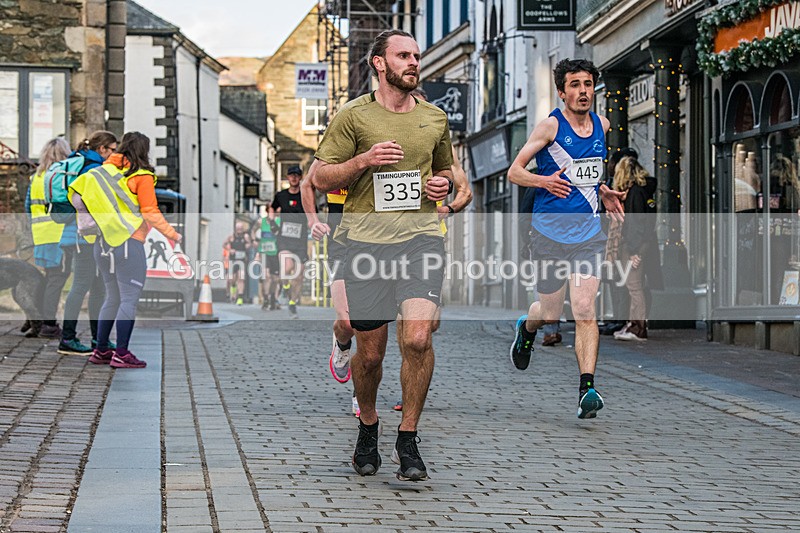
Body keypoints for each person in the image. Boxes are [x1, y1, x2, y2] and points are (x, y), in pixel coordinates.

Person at [313, 29, 454, 482]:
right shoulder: (353, 116)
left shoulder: (434, 118)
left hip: (421, 239)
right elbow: (320, 176)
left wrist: (443, 184)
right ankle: (368, 425)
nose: (414, 62)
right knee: (370, 356)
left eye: (417, 55)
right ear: (380, 63)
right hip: (365, 245)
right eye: (404, 55)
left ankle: (408, 436)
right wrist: (363, 161)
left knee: (417, 339)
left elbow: (446, 170)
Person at [507, 58, 625, 420]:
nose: (583, 91)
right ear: (562, 92)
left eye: (588, 84)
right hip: (547, 234)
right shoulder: (549, 128)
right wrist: (543, 181)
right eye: (575, 85)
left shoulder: (603, 126)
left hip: (589, 233)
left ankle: (587, 388)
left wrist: (602, 191)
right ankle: (526, 328)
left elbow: (589, 175)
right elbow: (515, 172)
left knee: (586, 308)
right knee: (551, 312)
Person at [392, 85, 473, 412]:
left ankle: (413, 374)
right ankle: (408, 385)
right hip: (387, 241)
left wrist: (449, 209)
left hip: (427, 241)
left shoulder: (440, 148)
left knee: (424, 330)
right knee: (404, 323)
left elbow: (465, 191)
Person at [70, 131, 181, 369]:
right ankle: (121, 352)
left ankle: (100, 350)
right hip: (129, 244)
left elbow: (76, 196)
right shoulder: (142, 176)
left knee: (112, 297)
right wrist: (172, 234)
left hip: (102, 243)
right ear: (143, 151)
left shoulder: (100, 173)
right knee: (129, 298)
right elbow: (150, 211)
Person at [57, 131, 118, 355]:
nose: (113, 154)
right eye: (112, 149)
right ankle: (69, 338)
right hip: (87, 236)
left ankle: (97, 339)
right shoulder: (93, 168)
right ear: (102, 149)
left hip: (79, 234)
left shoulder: (79, 161)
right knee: (84, 286)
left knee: (97, 287)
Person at [607, 156, 658, 341]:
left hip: (633, 245)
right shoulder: (642, 191)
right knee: (634, 287)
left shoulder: (635, 193)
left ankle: (638, 327)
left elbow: (637, 223)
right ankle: (632, 324)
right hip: (637, 244)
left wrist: (634, 250)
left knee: (635, 287)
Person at [25, 137, 71, 338]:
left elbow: (28, 208)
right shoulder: (61, 178)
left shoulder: (36, 178)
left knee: (49, 278)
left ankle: (40, 319)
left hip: (41, 236)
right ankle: (49, 324)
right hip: (59, 236)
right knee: (56, 280)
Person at [599, 147, 638, 336]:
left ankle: (625, 320)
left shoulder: (630, 191)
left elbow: (635, 221)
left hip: (622, 241)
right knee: (616, 281)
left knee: (627, 284)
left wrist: (632, 246)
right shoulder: (610, 185)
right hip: (613, 240)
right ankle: (617, 318)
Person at [270, 165, 310, 319]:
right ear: (287, 177)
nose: (294, 178)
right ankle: (285, 287)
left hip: (300, 240)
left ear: (300, 177)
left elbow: (312, 210)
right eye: (291, 175)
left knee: (299, 275)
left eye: (297, 175)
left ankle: (292, 303)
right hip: (284, 238)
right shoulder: (281, 195)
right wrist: (272, 222)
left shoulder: (306, 194)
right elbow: (272, 208)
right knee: (287, 267)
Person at [255, 215, 281, 310]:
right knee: (267, 276)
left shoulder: (279, 220)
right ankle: (266, 299)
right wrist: (255, 241)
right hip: (264, 253)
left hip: (276, 253)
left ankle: (273, 297)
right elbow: (253, 231)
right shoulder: (261, 222)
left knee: (275, 279)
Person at [224, 222, 252, 305]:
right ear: (235, 229)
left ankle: (240, 298)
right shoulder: (231, 237)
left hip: (242, 260)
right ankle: (233, 290)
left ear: (243, 229)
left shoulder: (245, 236)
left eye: (241, 228)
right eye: (238, 228)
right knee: (231, 279)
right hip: (233, 260)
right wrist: (229, 250)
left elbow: (250, 244)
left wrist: (248, 245)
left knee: (241, 278)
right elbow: (224, 244)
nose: (239, 230)